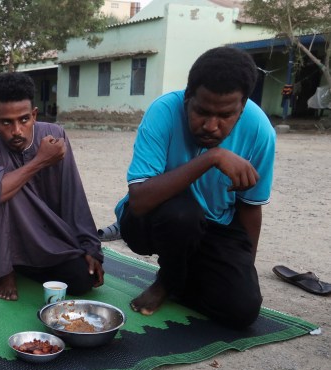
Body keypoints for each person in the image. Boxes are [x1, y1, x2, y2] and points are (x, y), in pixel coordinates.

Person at [114, 47, 275, 329]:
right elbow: (139, 201)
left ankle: (185, 277)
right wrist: (212, 158)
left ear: (242, 106)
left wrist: (242, 270)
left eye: (225, 115)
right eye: (202, 111)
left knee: (242, 310)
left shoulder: (260, 130)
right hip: (154, 219)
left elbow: (250, 207)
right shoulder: (163, 111)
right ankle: (168, 281)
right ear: (188, 97)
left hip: (216, 226)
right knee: (182, 215)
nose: (211, 126)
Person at [0, 72, 104, 301]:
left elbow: (72, 193)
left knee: (83, 280)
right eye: (6, 122)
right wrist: (40, 161)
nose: (17, 130)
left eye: (24, 119)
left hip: (49, 237)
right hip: (5, 237)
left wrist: (90, 247)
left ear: (34, 114)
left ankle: (27, 264)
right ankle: (5, 269)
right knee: (1, 187)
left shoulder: (54, 136)